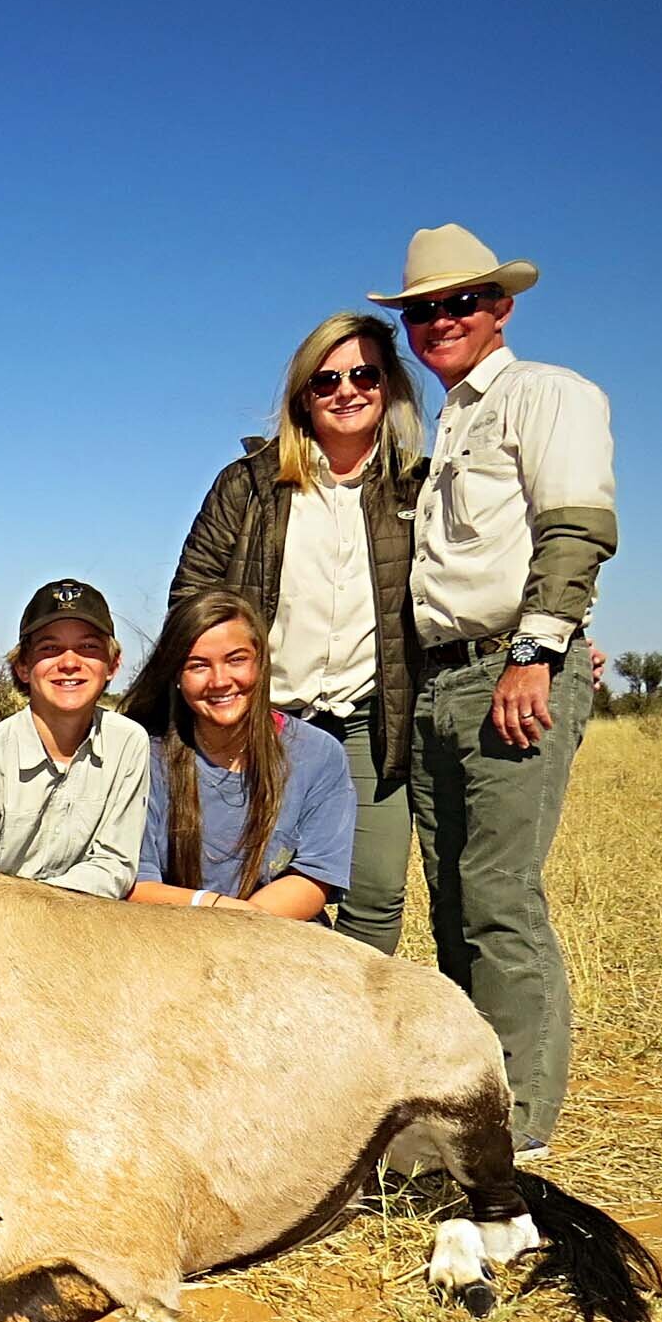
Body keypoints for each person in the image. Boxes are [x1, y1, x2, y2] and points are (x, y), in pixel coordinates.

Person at [372, 223, 615, 1155]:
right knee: (453, 902)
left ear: (499, 307)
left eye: (459, 303)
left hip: (507, 675)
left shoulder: (546, 394)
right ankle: (471, 1110)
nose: (440, 320)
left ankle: (522, 1138)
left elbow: (576, 530)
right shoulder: (448, 423)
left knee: (499, 895)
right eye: (423, 310)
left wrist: (536, 653)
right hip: (441, 684)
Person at [169, 312, 425, 952]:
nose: (346, 390)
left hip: (371, 720)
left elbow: (476, 577)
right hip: (263, 714)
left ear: (389, 385)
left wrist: (564, 629)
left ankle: (350, 1040)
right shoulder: (248, 485)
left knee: (372, 893)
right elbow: (191, 598)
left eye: (364, 374)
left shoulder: (420, 486)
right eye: (326, 378)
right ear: (302, 396)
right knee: (252, 885)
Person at [122, 589, 355, 919]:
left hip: (281, 935)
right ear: (175, 676)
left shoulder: (319, 754)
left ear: (260, 662)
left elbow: (313, 878)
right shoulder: (145, 754)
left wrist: (241, 931)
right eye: (198, 666)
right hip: (171, 938)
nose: (220, 681)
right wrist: (223, 913)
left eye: (236, 660)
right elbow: (137, 886)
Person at [0, 578, 148, 897]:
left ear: (112, 665)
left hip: (71, 918)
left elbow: (114, 865)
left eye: (88, 647)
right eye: (50, 648)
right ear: (23, 667)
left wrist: (43, 911)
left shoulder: (128, 743)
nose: (70, 663)